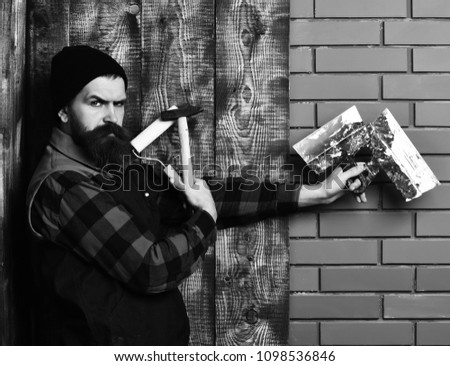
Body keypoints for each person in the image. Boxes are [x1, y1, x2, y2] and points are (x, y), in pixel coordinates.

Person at [26, 45, 367, 346]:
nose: (112, 117)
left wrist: (313, 192)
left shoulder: (111, 161)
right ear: (63, 111)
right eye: (96, 103)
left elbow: (203, 194)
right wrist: (204, 219)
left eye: (119, 104)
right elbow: (151, 267)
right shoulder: (64, 185)